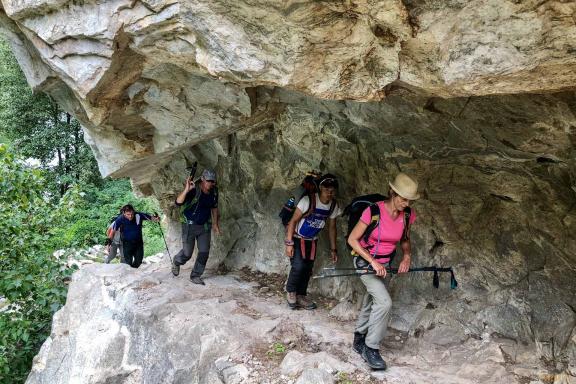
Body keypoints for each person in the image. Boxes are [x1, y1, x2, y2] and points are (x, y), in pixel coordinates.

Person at [347, 172, 419, 370]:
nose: (406, 203)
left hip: (385, 264)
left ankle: (358, 338)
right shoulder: (373, 212)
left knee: (372, 300)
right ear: (392, 193)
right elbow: (352, 239)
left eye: (409, 200)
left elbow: (404, 239)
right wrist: (373, 262)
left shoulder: (407, 215)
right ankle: (371, 348)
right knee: (384, 302)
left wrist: (407, 256)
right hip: (364, 262)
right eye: (403, 198)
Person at [284, 174, 341, 310]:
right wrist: (289, 243)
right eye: (327, 189)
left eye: (332, 190)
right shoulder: (308, 200)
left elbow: (332, 227)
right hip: (298, 238)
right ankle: (291, 291)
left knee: (307, 269)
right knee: (298, 266)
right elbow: (293, 221)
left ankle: (301, 295)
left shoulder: (333, 205)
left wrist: (334, 249)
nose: (329, 192)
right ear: (320, 188)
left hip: (312, 240)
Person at [171, 169, 220, 285]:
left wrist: (215, 223)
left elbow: (214, 207)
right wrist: (186, 189)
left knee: (204, 252)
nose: (211, 184)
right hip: (189, 226)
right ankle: (177, 261)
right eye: (209, 181)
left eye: (213, 182)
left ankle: (195, 275)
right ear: (202, 179)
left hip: (204, 227)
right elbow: (178, 203)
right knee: (187, 254)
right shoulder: (194, 190)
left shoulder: (214, 191)